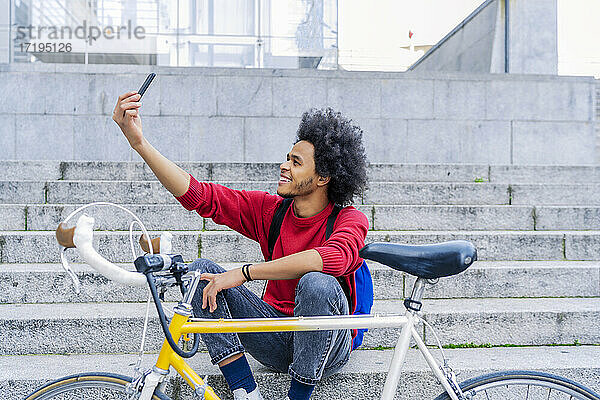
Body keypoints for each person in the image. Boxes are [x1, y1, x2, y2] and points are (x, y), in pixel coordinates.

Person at [112, 90, 369, 400]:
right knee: (200, 273)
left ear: (323, 177)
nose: (284, 166)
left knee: (317, 283)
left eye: (296, 162)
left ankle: (299, 396)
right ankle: (244, 390)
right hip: (274, 338)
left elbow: (330, 258)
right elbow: (200, 195)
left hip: (326, 344)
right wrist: (139, 143)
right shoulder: (271, 211)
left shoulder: (349, 220)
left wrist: (244, 273)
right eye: (287, 158)